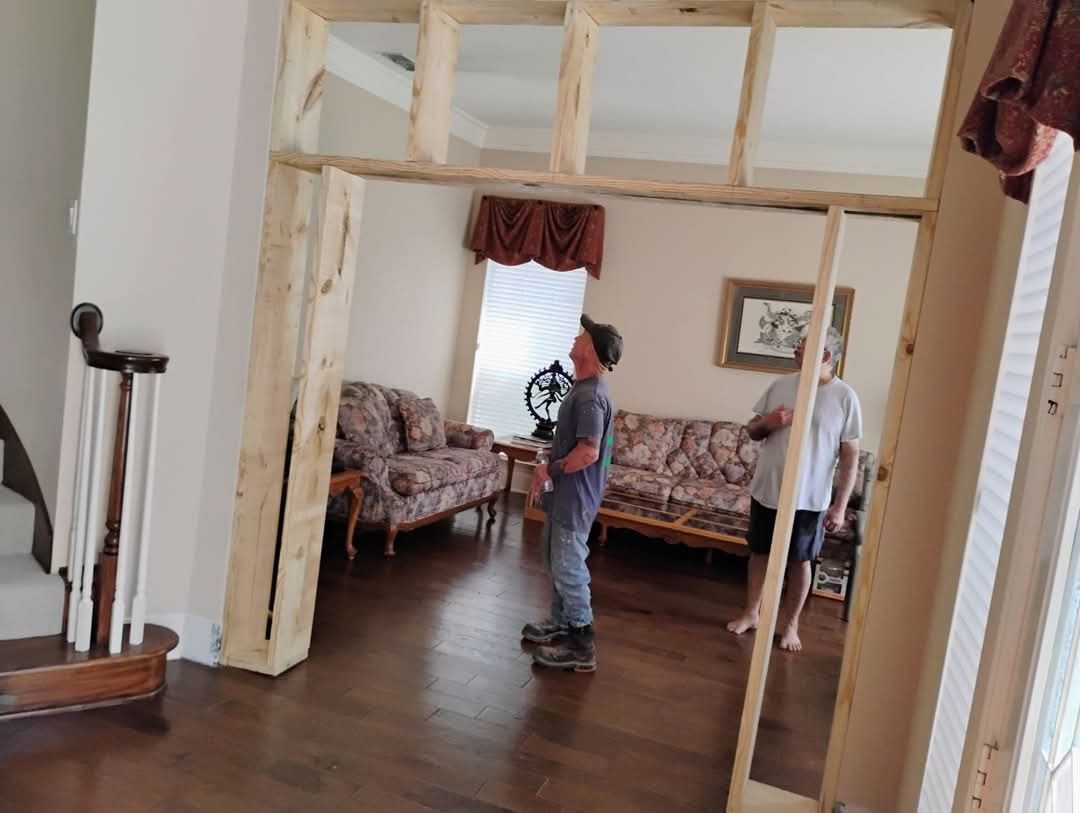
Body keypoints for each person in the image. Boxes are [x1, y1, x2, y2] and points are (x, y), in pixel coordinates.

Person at [727, 326, 862, 653]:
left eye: (802, 346)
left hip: (810, 499)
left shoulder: (845, 398)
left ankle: (790, 625)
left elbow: (850, 455)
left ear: (825, 355)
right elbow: (752, 431)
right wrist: (769, 423)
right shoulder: (781, 385)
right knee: (759, 552)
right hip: (768, 490)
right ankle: (751, 613)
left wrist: (840, 506)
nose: (795, 351)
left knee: (800, 561)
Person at [522, 314, 622, 672]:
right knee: (554, 557)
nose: (576, 339)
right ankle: (561, 620)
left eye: (582, 336)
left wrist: (550, 468)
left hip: (576, 496)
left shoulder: (592, 396)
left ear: (592, 351)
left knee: (568, 568)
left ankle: (582, 646)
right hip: (567, 495)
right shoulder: (582, 388)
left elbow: (588, 452)